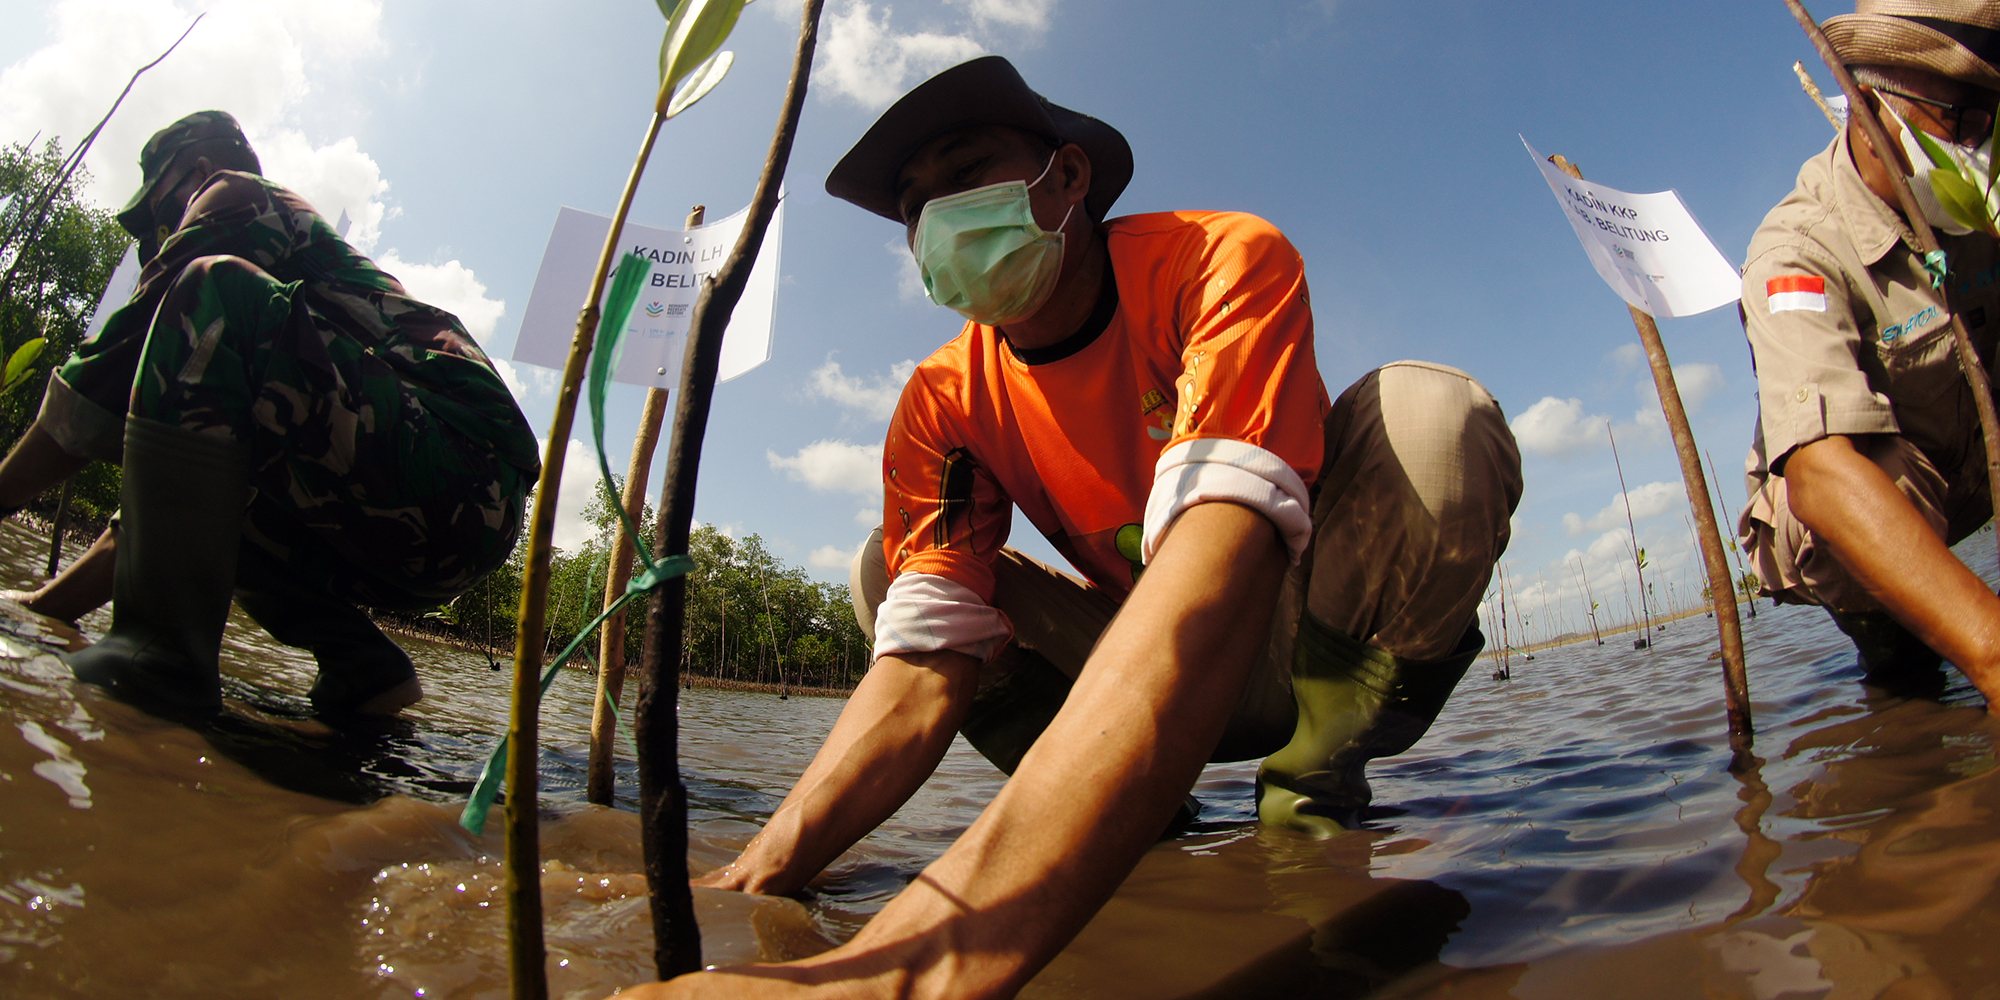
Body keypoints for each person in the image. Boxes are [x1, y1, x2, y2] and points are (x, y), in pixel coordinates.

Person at [624, 58, 1520, 998]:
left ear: (1069, 177)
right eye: (914, 211)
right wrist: (752, 877)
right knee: (888, 577)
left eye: (966, 174)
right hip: (1139, 647)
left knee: (1431, 418)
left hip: (1298, 623)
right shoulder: (943, 399)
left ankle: (1314, 790)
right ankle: (1143, 818)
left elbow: (1216, 572)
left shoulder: (1214, 260)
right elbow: (922, 673)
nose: (938, 220)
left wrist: (893, 978)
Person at [0, 110, 538, 718]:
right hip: (450, 516)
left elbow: (106, 374)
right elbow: (164, 505)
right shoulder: (258, 364)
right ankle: (361, 666)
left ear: (201, 171)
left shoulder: (237, 195)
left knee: (213, 289)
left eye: (157, 216)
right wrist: (41, 611)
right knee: (218, 483)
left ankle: (156, 661)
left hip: (460, 465)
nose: (155, 240)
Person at [1738, 0, 2000, 704]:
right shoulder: (1796, 253)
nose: (1985, 144)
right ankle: (1903, 663)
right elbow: (1822, 475)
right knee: (1858, 469)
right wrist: (1994, 652)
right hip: (1873, 512)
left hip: (1975, 471)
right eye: (1964, 119)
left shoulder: (1988, 197)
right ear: (1867, 105)